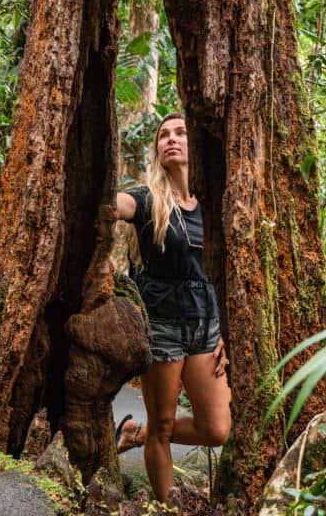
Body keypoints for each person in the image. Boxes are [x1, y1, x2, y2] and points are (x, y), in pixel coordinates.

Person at [114, 113, 231, 503]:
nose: (172, 139)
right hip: (161, 323)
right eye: (164, 135)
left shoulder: (212, 204)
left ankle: (135, 433)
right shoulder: (149, 199)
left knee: (216, 429)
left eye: (180, 132)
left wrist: (227, 333)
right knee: (163, 424)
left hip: (205, 328)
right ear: (158, 151)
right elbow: (115, 204)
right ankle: (163, 507)